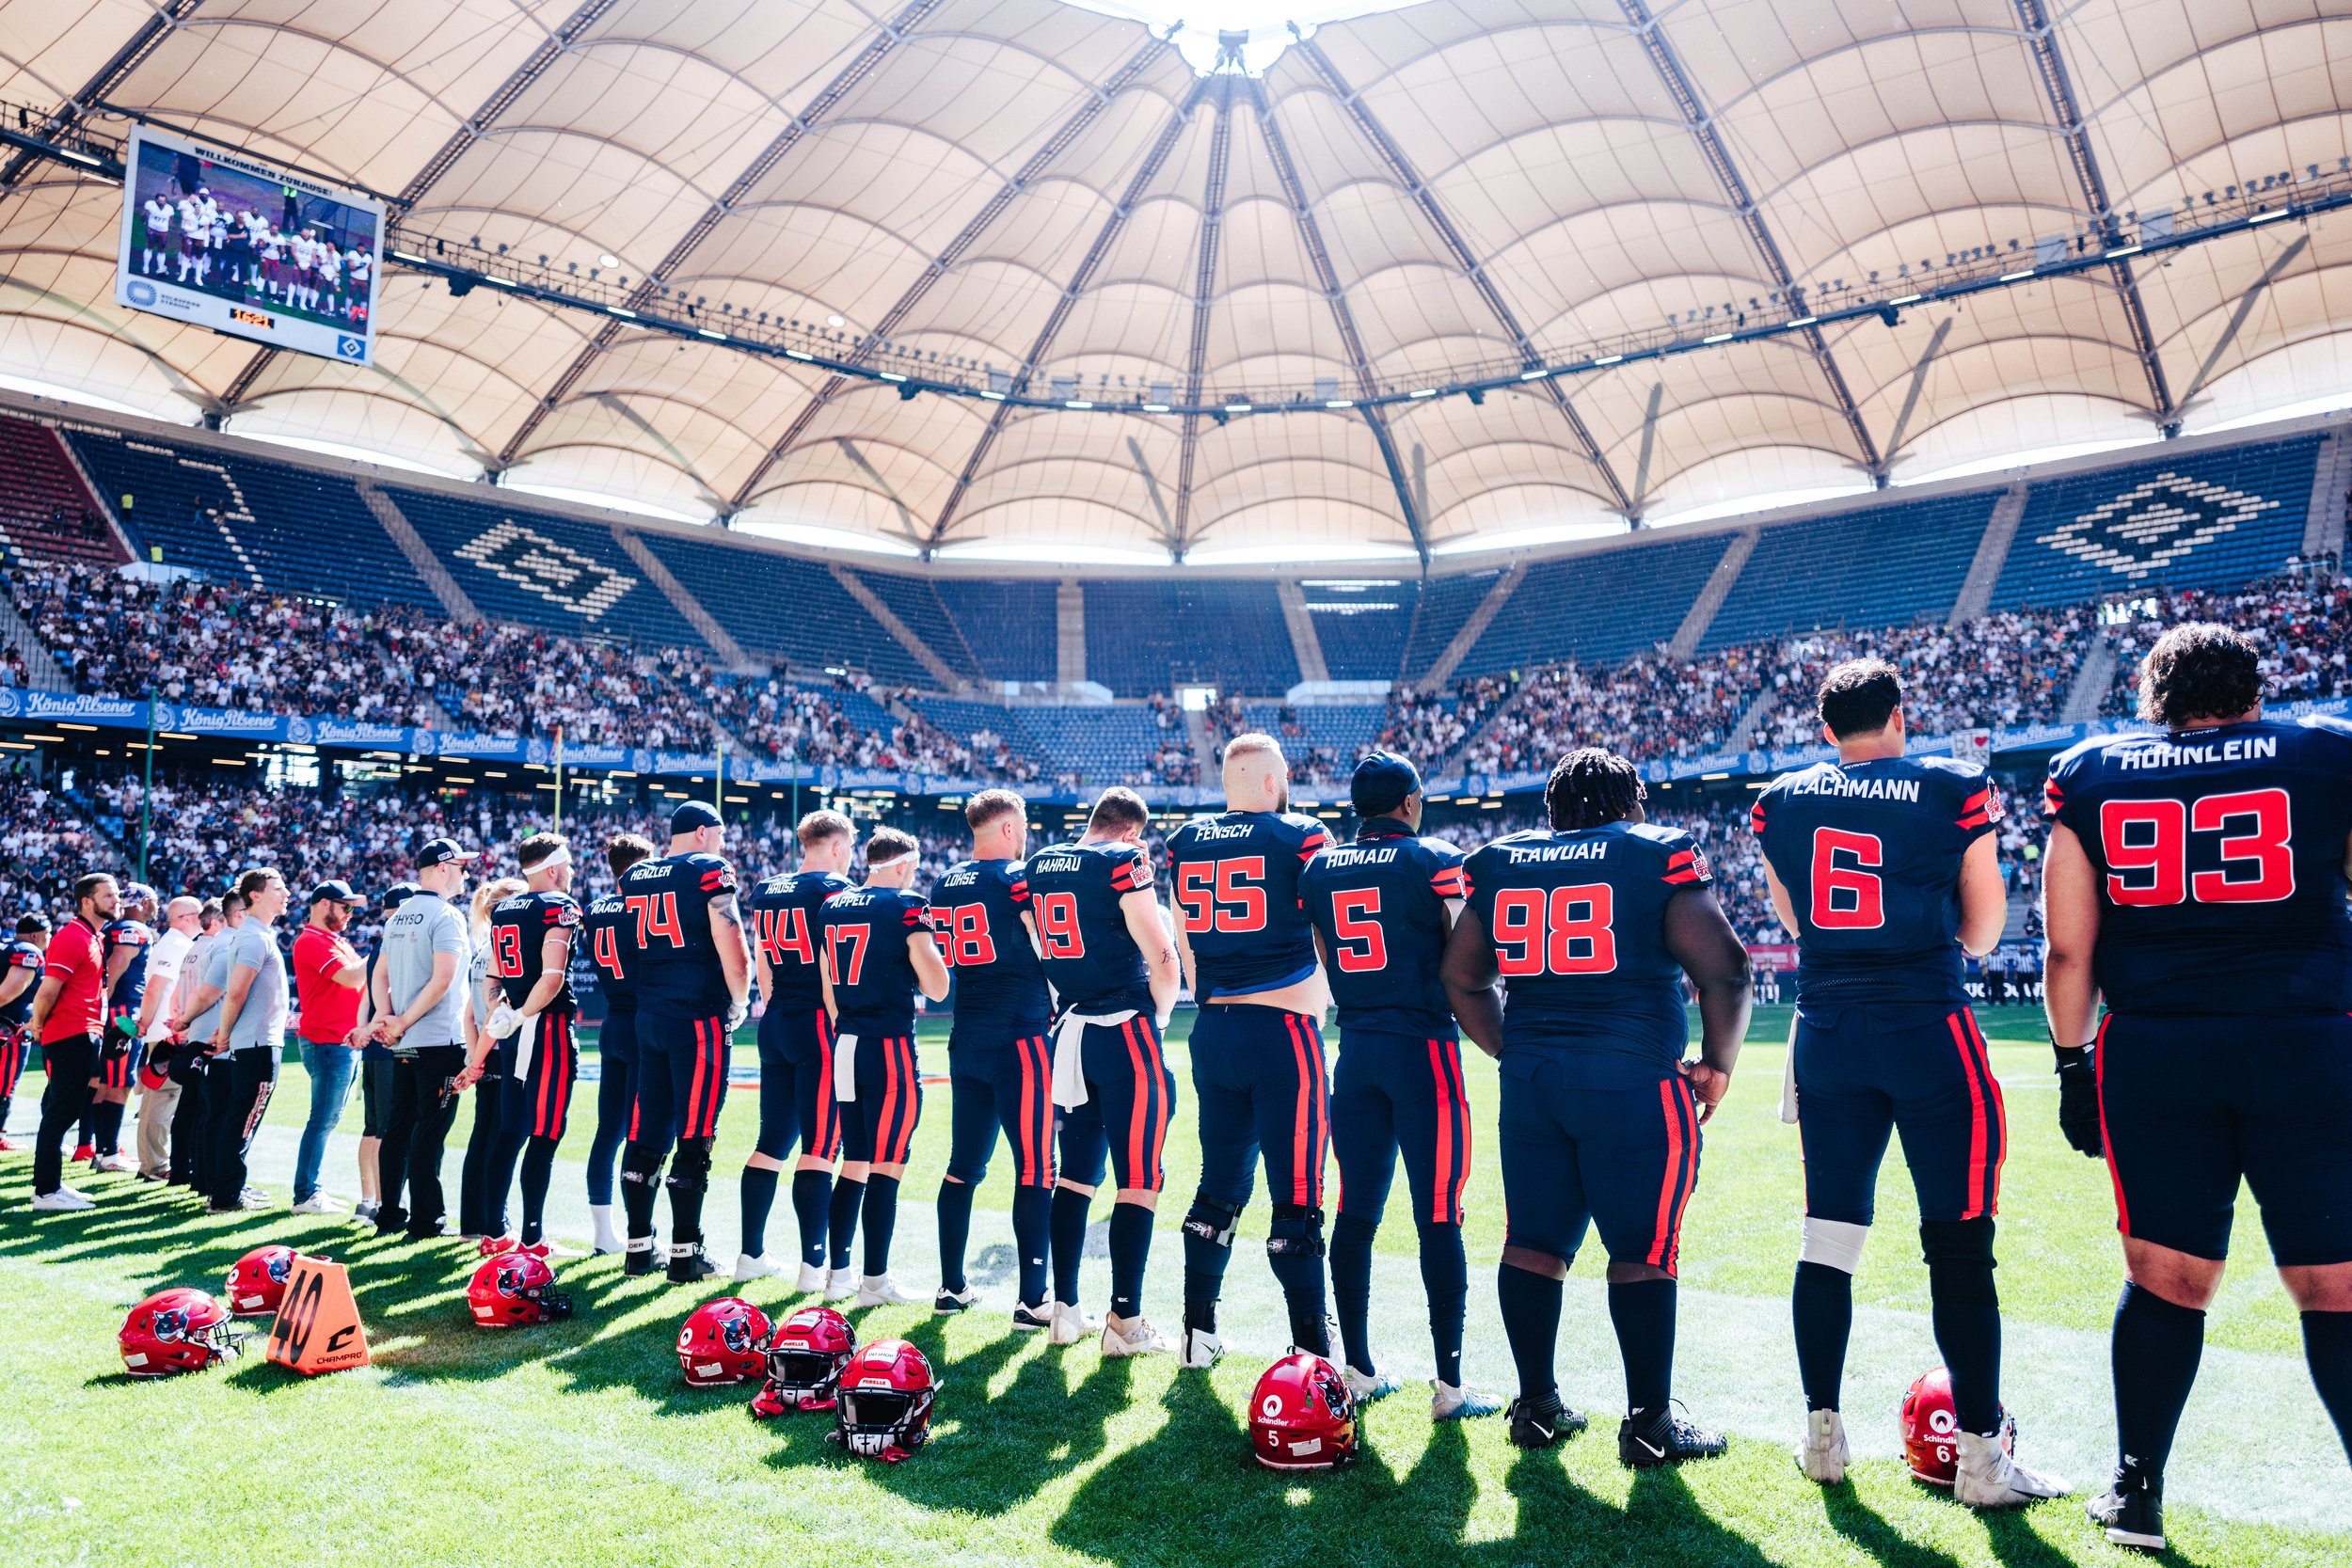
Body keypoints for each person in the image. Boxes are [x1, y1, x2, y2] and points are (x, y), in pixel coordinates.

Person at [2041, 623, 2352, 1552]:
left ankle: (2135, 1492)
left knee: (2166, 1278)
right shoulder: (2321, 752)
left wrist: (2069, 1062)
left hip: (2159, 1053)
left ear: (2153, 699)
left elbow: (2066, 946)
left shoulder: (2093, 771)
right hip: (2308, 1044)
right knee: (2334, 1285)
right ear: (2252, 691)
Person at [1751, 657, 2062, 1506]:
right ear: (1900, 713)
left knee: (1828, 1238)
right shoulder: (1948, 785)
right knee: (1959, 1244)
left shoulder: (1782, 799)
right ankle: (1980, 1463)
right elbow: (1987, 928)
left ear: (1825, 730)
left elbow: (1792, 914)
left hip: (1827, 1032)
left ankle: (1822, 1437)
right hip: (1928, 1028)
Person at [1445, 749, 1750, 1464]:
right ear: (1631, 804)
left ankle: (1537, 1407)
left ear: (1551, 811)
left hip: (1535, 1084)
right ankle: (1649, 1424)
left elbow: (1462, 979)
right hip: (1632, 1079)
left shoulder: (1501, 862)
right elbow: (1728, 968)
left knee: (1532, 1241)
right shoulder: (1655, 853)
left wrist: (1513, 1051)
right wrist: (1719, 1064)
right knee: (1642, 1251)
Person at [1298, 752, 1500, 1418]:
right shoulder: (1432, 858)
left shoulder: (1318, 868)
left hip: (1355, 1054)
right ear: (1409, 802)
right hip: (1423, 1053)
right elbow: (1467, 953)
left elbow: (1328, 955)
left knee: (1357, 1211)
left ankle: (1356, 1367)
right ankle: (1450, 1387)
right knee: (1439, 1212)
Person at [1163, 733, 1333, 1366]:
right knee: (1296, 1196)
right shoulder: (1300, 835)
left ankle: (1196, 1332)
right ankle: (1314, 1349)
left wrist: (1209, 987)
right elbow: (1332, 925)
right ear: (1270, 780)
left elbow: (1183, 937)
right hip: (1280, 1032)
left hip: (1212, 1027)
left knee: (1218, 1186)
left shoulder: (1186, 842)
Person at [1020, 785, 1182, 1355]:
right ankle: (1125, 1322)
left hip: (1072, 1032)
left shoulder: (1040, 863)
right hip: (1124, 1030)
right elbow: (1161, 953)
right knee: (1138, 1180)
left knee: (1075, 1175)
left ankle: (1066, 1309)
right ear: (1132, 831)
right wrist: (1159, 1013)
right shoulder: (1124, 860)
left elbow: (1041, 945)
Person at [928, 789, 1057, 1323]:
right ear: (1008, 828)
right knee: (1035, 1168)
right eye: (1022, 827)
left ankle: (952, 1287)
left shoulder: (944, 883)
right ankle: (1032, 1299)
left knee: (963, 1167)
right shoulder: (1017, 879)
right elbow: (1049, 948)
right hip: (1019, 1036)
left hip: (968, 1035)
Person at [616, 801, 752, 1283]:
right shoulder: (709, 869)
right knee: (695, 1137)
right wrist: (739, 999)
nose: (723, 844)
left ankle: (637, 1248)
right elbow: (729, 936)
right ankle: (684, 1253)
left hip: (649, 1015)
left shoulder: (635, 876)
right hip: (695, 1017)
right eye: (718, 834)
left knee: (645, 1130)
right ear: (702, 832)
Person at [816, 825, 950, 1306]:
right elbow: (937, 988)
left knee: (853, 1163)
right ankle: (874, 1281)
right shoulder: (905, 905)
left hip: (846, 1043)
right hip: (888, 1047)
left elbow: (829, 983)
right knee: (886, 1168)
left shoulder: (833, 906)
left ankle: (839, 1275)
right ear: (901, 864)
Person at [734, 813, 853, 1288]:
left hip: (777, 1017)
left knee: (771, 1143)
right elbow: (835, 965)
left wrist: (773, 1002)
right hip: (816, 1022)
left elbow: (764, 956)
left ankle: (751, 1255)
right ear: (839, 846)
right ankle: (812, 1267)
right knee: (821, 1147)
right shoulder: (835, 890)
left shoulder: (769, 889)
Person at [469, 834, 583, 1256]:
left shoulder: (504, 909)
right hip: (544, 1027)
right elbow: (551, 978)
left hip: (516, 1030)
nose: (570, 874)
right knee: (546, 1132)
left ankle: (495, 1230)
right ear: (552, 868)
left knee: (509, 1129)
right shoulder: (558, 905)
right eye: (567, 866)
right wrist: (520, 1015)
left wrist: (500, 1010)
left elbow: (492, 976)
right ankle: (533, 1238)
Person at [371, 837, 477, 1240]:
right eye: (462, 867)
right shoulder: (446, 916)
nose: (466, 874)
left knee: (398, 1128)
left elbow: (380, 975)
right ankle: (426, 1219)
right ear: (444, 868)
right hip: (438, 1040)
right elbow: (444, 980)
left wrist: (389, 1018)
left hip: (407, 1041)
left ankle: (389, 1214)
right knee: (429, 1131)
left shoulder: (399, 915)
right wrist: (398, 1020)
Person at [26, 874, 119, 1210]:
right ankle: (46, 1191)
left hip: (82, 1033)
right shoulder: (73, 936)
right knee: (61, 1112)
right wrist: (37, 1024)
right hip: (71, 1034)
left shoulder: (92, 936)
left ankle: (50, 1186)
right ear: (86, 901)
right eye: (108, 895)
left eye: (116, 894)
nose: (116, 900)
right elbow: (48, 989)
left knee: (62, 1110)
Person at [583, 835, 653, 1256]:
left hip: (611, 1021)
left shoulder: (594, 909)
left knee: (607, 1131)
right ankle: (638, 1232)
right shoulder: (641, 906)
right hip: (642, 1023)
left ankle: (602, 1234)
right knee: (640, 1133)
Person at [206, 867, 291, 1213]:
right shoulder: (254, 937)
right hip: (256, 1045)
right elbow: (236, 992)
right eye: (278, 887)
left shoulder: (257, 935)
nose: (286, 892)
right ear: (255, 895)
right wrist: (224, 1034)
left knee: (238, 1119)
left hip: (255, 1042)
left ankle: (226, 1191)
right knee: (242, 1121)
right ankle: (227, 1197)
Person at [289, 880, 367, 1213]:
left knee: (326, 1118)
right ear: (324, 905)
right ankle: (306, 1193)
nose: (350, 914)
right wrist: (384, 951)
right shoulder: (312, 940)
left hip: (338, 1039)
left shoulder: (332, 940)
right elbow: (350, 978)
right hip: (327, 1040)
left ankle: (310, 1190)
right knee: (322, 1119)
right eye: (345, 907)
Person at [456, 877, 525, 1243]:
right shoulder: (506, 949)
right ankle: (494, 1223)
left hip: (485, 1055)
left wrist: (474, 1059)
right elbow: (491, 1016)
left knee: (481, 1137)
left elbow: (470, 1016)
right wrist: (480, 1057)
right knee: (504, 1138)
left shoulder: (483, 949)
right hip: (505, 1054)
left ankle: (472, 1224)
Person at [353, 881, 419, 1227]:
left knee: (374, 1126)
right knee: (390, 1130)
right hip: (389, 1041)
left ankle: (368, 1199)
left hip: (374, 1043)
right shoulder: (401, 942)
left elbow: (366, 999)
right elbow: (387, 995)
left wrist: (362, 1030)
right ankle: (383, 1200)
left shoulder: (381, 943)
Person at [166, 895, 234, 1193]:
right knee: (208, 1109)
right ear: (219, 922)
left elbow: (178, 993)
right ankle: (201, 1174)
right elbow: (208, 993)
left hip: (190, 1033)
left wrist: (180, 1019)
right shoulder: (220, 949)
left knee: (189, 1107)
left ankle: (182, 1168)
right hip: (207, 1036)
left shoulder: (193, 949)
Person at [132, 896, 201, 1181]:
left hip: (165, 1031)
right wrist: (147, 1022)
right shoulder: (175, 945)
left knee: (159, 1099)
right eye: (198, 914)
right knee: (163, 1099)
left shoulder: (176, 943)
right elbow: (155, 987)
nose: (203, 918)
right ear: (183, 918)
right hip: (166, 1033)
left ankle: (154, 1162)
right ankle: (154, 1165)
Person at [89, 883, 157, 1172]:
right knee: (119, 1083)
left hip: (115, 1009)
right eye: (153, 901)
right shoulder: (133, 928)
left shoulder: (115, 927)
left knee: (105, 1082)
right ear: (142, 902)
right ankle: (108, 1154)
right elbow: (117, 963)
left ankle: (103, 1150)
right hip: (122, 1011)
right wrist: (104, 1005)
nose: (157, 907)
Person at [0, 913, 49, 1152]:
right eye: (48, 934)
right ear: (36, 935)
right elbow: (8, 992)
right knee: (4, 1084)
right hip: (9, 1028)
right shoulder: (29, 951)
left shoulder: (7, 946)